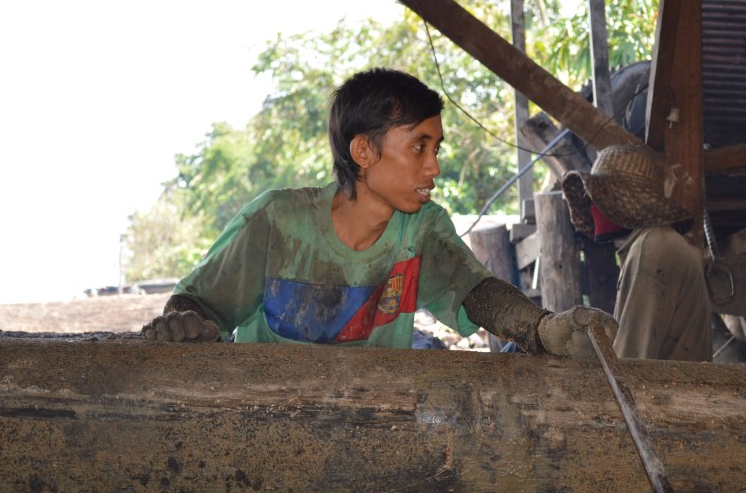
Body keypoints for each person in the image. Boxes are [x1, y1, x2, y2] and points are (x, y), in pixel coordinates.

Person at [142, 67, 616, 358]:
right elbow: (198, 305)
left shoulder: (422, 228)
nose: (433, 166)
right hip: (269, 434)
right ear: (364, 151)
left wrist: (540, 329)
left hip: (376, 432)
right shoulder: (275, 222)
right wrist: (182, 324)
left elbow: (474, 291)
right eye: (418, 146)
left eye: (436, 148)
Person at [561, 144, 713, 361]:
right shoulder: (658, 240)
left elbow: (631, 363)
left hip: (669, 392)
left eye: (594, 198)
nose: (591, 207)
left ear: (617, 201)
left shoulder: (652, 248)